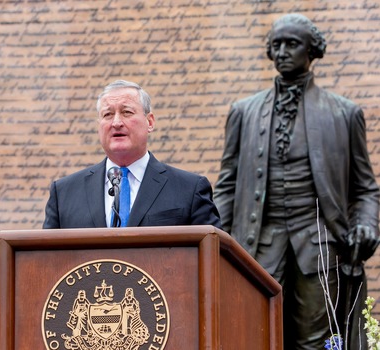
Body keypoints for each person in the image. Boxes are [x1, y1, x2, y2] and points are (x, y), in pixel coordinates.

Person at [214, 14, 380, 349]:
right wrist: (218, 242)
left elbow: (364, 189)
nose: (282, 52)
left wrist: (367, 224)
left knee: (315, 342)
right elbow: (226, 186)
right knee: (254, 335)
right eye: (276, 45)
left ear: (312, 50)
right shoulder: (243, 112)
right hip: (257, 247)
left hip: (319, 249)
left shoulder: (345, 113)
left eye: (292, 44)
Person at [43, 79, 221, 229]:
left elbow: (213, 257)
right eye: (108, 114)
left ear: (149, 122)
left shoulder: (189, 189)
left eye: (127, 112)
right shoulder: (64, 193)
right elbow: (46, 261)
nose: (117, 122)